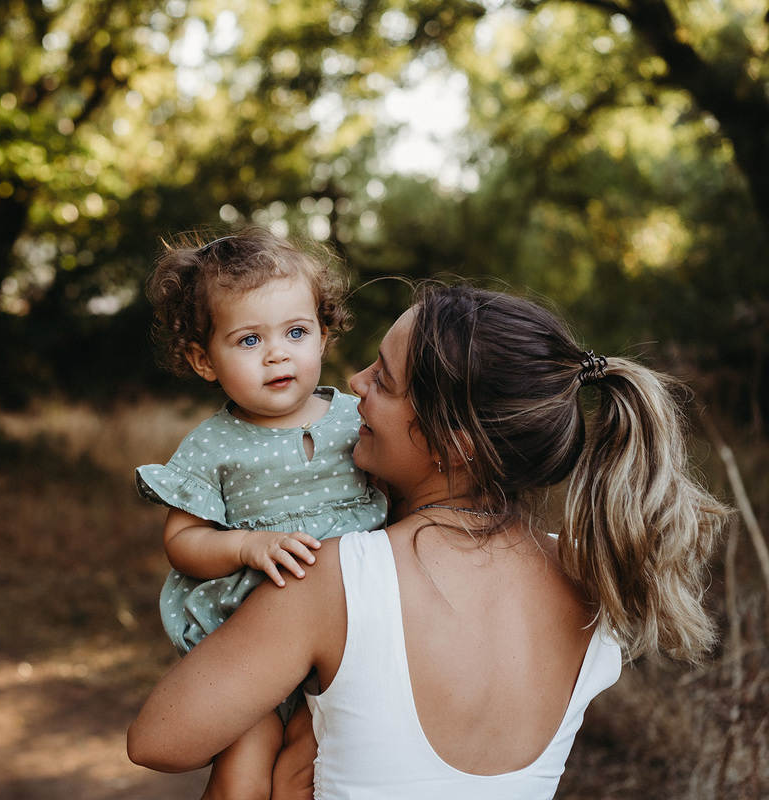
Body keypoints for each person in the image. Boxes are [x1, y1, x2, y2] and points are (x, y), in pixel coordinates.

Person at [129, 282, 728, 799]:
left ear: (455, 441)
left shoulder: (338, 578)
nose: (355, 383)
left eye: (384, 381)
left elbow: (158, 739)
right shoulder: (595, 583)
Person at [134, 227, 389, 800]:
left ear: (323, 336)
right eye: (248, 340)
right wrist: (247, 545)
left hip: (343, 640)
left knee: (306, 774)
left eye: (296, 332)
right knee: (242, 777)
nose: (277, 353)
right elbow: (184, 542)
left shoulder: (357, 419)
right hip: (245, 640)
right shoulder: (212, 446)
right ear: (204, 360)